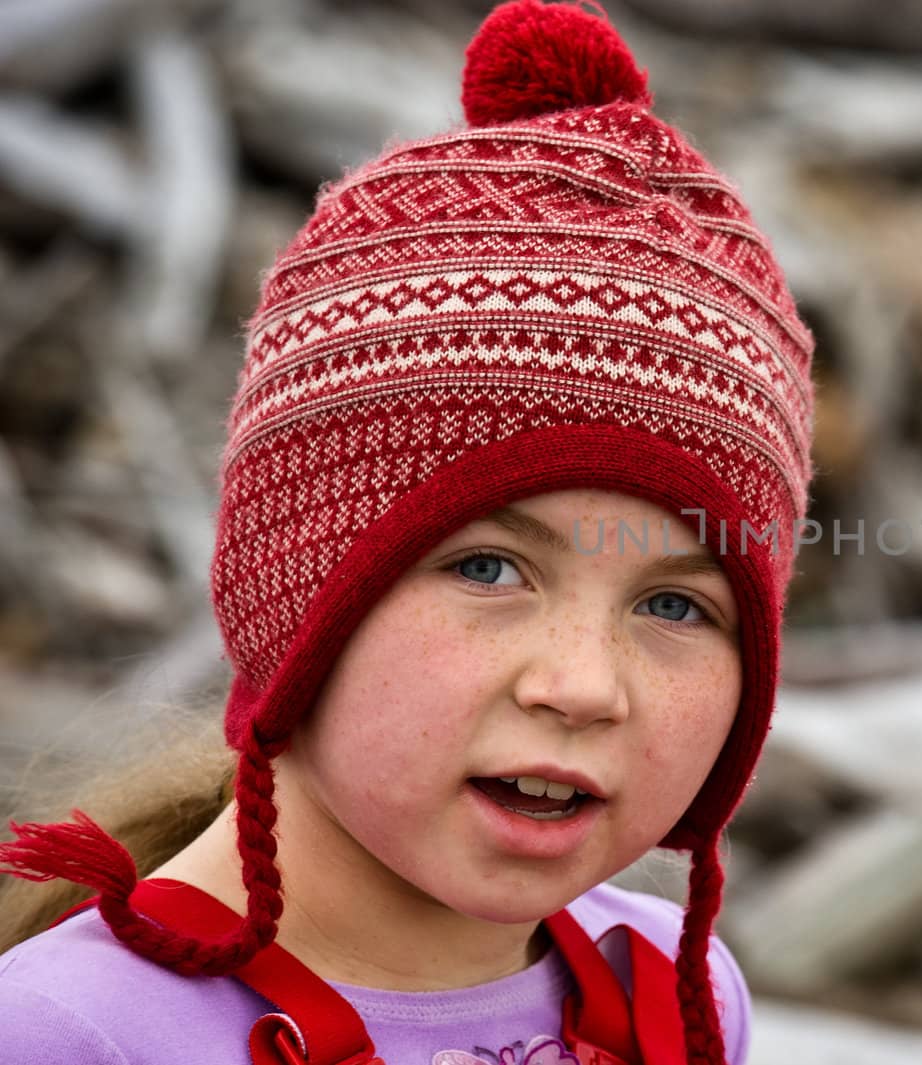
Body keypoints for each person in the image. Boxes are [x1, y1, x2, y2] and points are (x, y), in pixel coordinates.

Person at [0, 1, 815, 1062]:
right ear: (293, 590)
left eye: (674, 603)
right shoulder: (73, 1034)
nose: (580, 686)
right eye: (487, 566)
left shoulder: (678, 997)